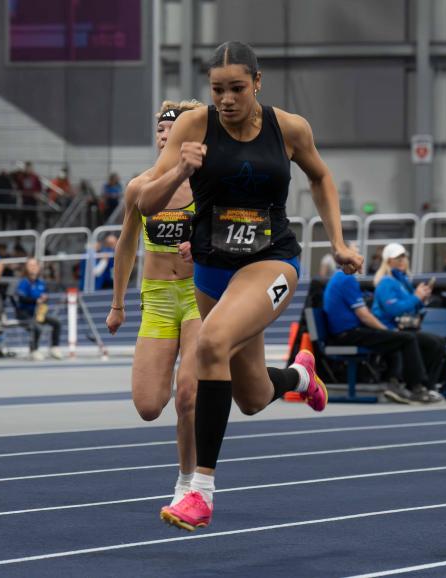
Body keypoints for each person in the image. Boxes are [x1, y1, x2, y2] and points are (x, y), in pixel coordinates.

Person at [138, 41, 363, 531]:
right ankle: (301, 377)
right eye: (217, 90)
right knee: (253, 395)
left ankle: (200, 492)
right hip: (213, 272)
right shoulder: (192, 127)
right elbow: (147, 203)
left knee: (211, 344)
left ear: (257, 82)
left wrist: (339, 243)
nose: (226, 99)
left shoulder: (291, 128)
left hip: (270, 263)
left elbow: (321, 178)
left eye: (237, 88)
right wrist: (180, 169)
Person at [107, 100, 203, 521]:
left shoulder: (209, 185)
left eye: (175, 132)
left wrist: (204, 247)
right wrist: (117, 304)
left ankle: (188, 483)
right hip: (158, 299)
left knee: (188, 395)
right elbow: (126, 245)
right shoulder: (140, 188)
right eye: (162, 132)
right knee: (149, 405)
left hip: (200, 296)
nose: (167, 138)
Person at [324, 264, 442, 404]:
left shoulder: (342, 277)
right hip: (348, 334)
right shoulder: (347, 279)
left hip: (348, 332)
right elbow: (365, 315)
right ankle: (415, 388)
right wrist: (386, 330)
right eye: (356, 254)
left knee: (408, 339)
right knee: (406, 339)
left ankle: (399, 383)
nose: (361, 259)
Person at [372, 243, 446, 403]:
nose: (402, 260)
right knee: (428, 342)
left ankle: (429, 385)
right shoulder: (386, 282)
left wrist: (421, 300)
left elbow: (410, 309)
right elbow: (393, 310)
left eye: (404, 257)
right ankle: (417, 386)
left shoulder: (403, 282)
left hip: (404, 329)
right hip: (389, 330)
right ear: (388, 261)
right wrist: (416, 297)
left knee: (438, 342)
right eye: (397, 257)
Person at [16, 258, 64, 361]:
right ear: (26, 268)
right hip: (25, 314)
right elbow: (21, 298)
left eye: (35, 265)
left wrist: (44, 299)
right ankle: (34, 350)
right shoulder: (24, 283)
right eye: (30, 265)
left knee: (56, 322)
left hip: (39, 313)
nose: (33, 267)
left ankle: (54, 348)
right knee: (36, 327)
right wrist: (36, 301)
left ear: (38, 267)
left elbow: (44, 297)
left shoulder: (41, 283)